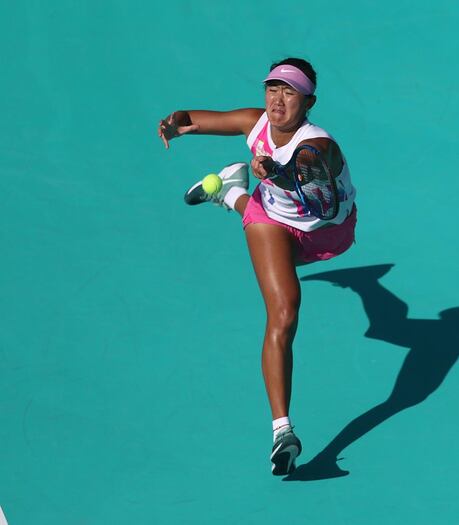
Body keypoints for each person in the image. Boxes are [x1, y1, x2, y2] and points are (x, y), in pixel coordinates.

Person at [157, 58, 357, 476]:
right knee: (284, 312)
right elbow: (198, 119)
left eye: (289, 92)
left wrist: (280, 175)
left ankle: (230, 193)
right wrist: (178, 121)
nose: (278, 99)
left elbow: (312, 174)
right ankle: (283, 431)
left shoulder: (319, 145)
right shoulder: (257, 122)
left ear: (308, 102)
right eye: (272, 88)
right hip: (274, 223)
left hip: (325, 231)